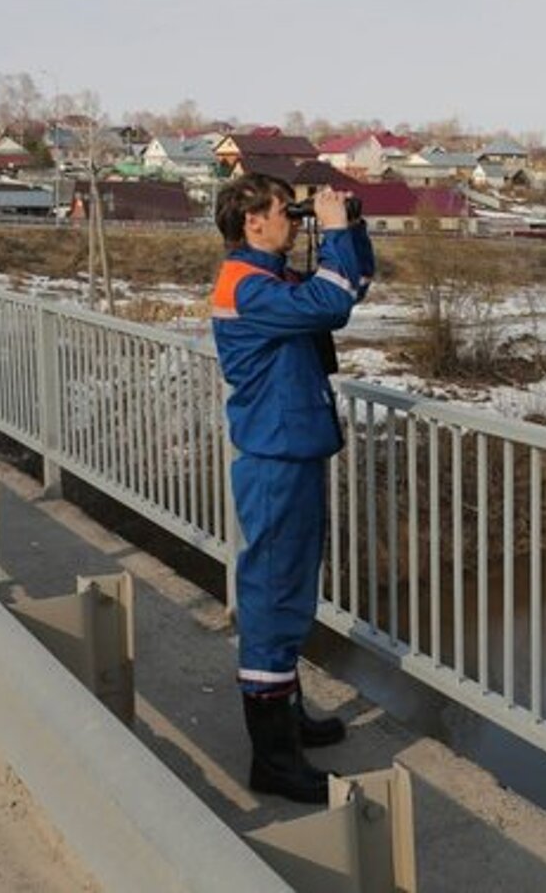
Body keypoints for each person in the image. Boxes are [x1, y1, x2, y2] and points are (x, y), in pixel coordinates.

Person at [210, 173, 374, 804]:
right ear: (253, 221)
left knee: (288, 593)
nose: (296, 220)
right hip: (276, 461)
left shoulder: (267, 278)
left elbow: (349, 286)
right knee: (274, 601)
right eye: (287, 212)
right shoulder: (249, 286)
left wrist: (350, 229)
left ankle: (291, 719)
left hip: (291, 451)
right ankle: (273, 761)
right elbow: (330, 305)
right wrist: (331, 231)